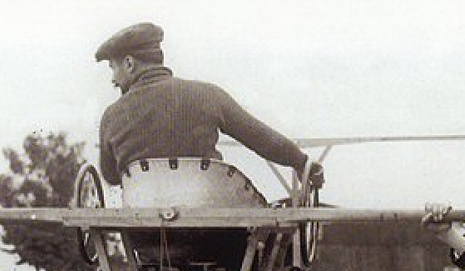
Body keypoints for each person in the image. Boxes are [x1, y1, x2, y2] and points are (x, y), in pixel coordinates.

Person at [94, 21, 322, 189]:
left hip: (145, 238)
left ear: (129, 63)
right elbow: (261, 139)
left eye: (113, 68)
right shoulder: (207, 95)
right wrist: (301, 163)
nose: (113, 79)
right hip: (215, 234)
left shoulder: (111, 116)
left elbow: (112, 176)